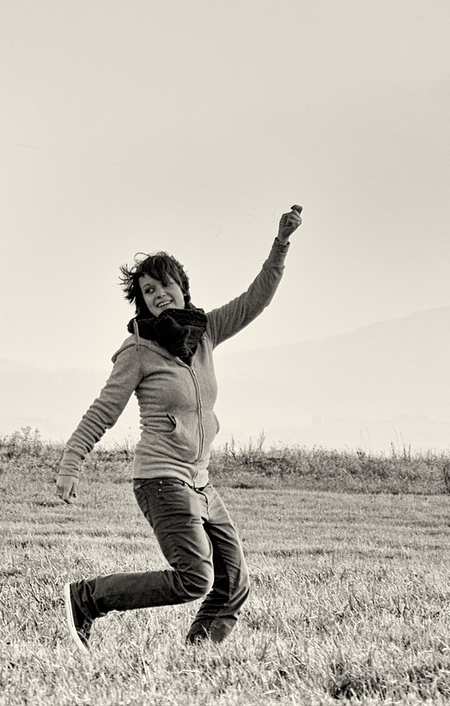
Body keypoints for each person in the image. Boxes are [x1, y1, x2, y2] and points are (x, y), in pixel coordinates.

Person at [55, 205, 303, 653]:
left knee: (232, 583)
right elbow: (104, 409)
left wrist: (281, 243)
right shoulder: (138, 350)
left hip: (200, 481)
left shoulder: (205, 332)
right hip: (161, 479)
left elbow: (256, 299)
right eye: (148, 290)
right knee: (195, 578)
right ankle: (85, 599)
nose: (158, 294)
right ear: (142, 301)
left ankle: (196, 662)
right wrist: (73, 461)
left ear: (182, 288)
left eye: (165, 285)